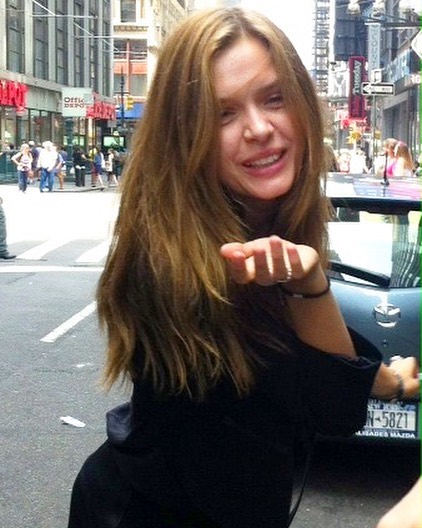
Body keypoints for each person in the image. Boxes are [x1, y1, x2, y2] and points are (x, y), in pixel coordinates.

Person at [67, 8, 420, 528]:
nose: (259, 129)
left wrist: (309, 282)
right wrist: (382, 379)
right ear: (184, 134)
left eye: (274, 99)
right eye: (223, 114)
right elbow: (330, 403)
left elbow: (330, 394)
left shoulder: (277, 225)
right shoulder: (178, 258)